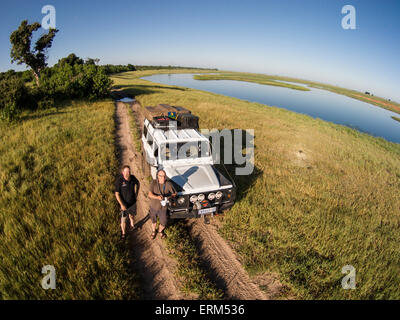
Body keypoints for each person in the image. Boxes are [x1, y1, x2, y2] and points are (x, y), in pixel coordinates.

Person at [148, 169, 176, 239]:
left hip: (163, 208)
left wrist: (168, 197)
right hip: (153, 207)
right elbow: (149, 194)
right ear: (157, 176)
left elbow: (175, 193)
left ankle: (160, 231)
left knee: (164, 222)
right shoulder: (154, 183)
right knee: (153, 221)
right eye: (161, 176)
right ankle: (154, 231)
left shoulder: (168, 184)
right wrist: (157, 197)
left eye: (164, 176)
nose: (162, 177)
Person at [115, 165, 139, 239]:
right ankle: (123, 233)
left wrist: (136, 193)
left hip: (132, 202)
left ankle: (132, 225)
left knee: (132, 215)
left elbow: (138, 184)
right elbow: (117, 194)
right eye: (125, 171)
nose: (127, 173)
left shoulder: (133, 178)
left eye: (128, 171)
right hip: (124, 204)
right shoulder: (119, 181)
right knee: (123, 219)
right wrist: (122, 205)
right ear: (123, 172)